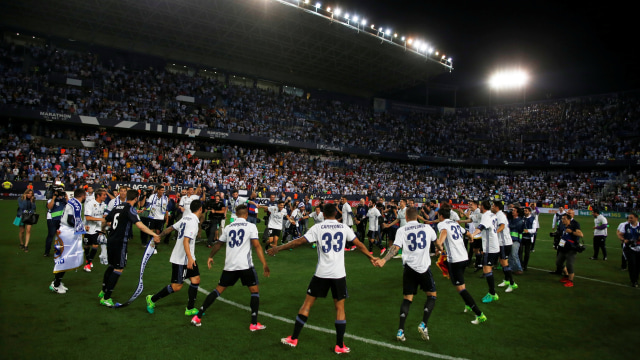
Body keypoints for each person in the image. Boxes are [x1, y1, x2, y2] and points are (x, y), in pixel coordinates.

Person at [268, 203, 377, 354]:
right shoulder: (343, 227)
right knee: (340, 308)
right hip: (339, 274)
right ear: (335, 214)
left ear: (324, 214)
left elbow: (299, 241)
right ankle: (340, 345)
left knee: (307, 305)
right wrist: (371, 257)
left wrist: (278, 248)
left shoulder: (318, 228)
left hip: (321, 273)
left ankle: (293, 338)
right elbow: (358, 244)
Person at [190, 205, 270, 329]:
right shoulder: (251, 226)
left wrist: (211, 256)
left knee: (217, 290)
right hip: (245, 266)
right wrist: (264, 263)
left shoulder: (228, 227)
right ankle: (253, 324)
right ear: (246, 215)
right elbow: (257, 246)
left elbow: (218, 244)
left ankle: (198, 316)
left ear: (236, 214)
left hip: (230, 266)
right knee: (254, 292)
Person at [374, 207, 437, 342]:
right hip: (424, 267)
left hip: (409, 268)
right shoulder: (427, 228)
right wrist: (440, 249)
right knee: (432, 296)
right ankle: (423, 324)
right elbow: (436, 242)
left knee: (407, 299)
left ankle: (400, 331)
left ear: (406, 218)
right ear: (418, 216)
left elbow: (395, 248)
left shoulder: (402, 230)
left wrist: (384, 260)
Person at [99, 190, 160, 307]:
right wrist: (153, 234)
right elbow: (140, 225)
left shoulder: (118, 206)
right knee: (118, 268)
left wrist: (102, 231)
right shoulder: (129, 208)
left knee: (111, 266)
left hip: (111, 239)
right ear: (136, 198)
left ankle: (103, 291)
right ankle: (106, 298)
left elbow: (106, 220)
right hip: (120, 242)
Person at [146, 200, 204, 315]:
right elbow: (186, 241)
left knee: (196, 279)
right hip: (182, 259)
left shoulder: (186, 218)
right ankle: (152, 299)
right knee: (176, 287)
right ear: (201, 209)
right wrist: (189, 258)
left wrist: (159, 236)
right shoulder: (192, 221)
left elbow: (171, 227)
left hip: (188, 257)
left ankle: (190, 308)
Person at [434, 207, 487, 325]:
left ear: (441, 216)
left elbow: (443, 233)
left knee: (460, 288)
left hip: (456, 260)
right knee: (461, 284)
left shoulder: (442, 224)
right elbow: (467, 233)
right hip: (464, 257)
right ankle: (468, 304)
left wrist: (439, 244)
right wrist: (471, 237)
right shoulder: (454, 223)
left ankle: (479, 314)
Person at [49, 188, 87, 294]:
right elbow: (71, 221)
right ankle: (55, 284)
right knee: (65, 258)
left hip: (64, 230)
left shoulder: (72, 202)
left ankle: (57, 281)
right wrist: (82, 227)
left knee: (65, 257)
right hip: (68, 232)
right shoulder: (77, 204)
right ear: (82, 196)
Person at [470, 200, 500, 304]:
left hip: (490, 247)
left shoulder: (486, 216)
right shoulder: (492, 215)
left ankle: (492, 294)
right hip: (493, 245)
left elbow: (481, 227)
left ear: (482, 207)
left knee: (487, 270)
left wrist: (472, 235)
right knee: (487, 269)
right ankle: (492, 292)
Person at [492, 201, 517, 292]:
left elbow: (502, 226)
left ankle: (512, 283)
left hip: (504, 243)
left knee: (504, 262)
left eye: (493, 205)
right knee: (502, 261)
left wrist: (495, 233)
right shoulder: (497, 215)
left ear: (497, 207)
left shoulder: (500, 215)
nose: (492, 207)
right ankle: (507, 280)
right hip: (501, 242)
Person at [553, 214, 584, 287]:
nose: (562, 220)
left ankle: (570, 281)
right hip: (563, 247)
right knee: (558, 263)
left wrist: (572, 232)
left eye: (564, 219)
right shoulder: (563, 226)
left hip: (571, 248)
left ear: (569, 219)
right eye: (562, 219)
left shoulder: (573, 226)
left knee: (569, 264)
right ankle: (566, 276)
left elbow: (581, 235)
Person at [83, 188, 108, 272]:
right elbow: (88, 217)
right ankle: (87, 259)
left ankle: (88, 264)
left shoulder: (103, 205)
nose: (105, 196)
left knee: (95, 245)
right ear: (98, 195)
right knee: (87, 246)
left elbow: (104, 215)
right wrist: (100, 219)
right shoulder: (90, 204)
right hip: (88, 228)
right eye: (104, 195)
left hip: (97, 229)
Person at [617, 213, 640, 287]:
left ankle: (636, 278)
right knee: (632, 265)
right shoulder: (626, 226)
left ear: (636, 218)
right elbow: (620, 234)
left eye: (631, 218)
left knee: (638, 265)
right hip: (630, 248)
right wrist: (623, 240)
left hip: (639, 248)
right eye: (629, 218)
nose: (629, 219)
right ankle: (634, 281)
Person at [44, 186, 68, 257]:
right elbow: (50, 207)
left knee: (61, 236)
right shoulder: (51, 199)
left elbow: (69, 204)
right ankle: (47, 252)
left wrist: (65, 196)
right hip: (52, 220)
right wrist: (54, 197)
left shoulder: (63, 199)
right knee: (51, 235)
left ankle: (59, 251)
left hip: (61, 220)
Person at [508, 207, 525, 274]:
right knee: (510, 255)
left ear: (517, 212)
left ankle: (519, 268)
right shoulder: (512, 220)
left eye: (514, 210)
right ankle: (511, 268)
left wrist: (509, 225)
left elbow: (513, 226)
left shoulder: (520, 221)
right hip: (510, 239)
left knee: (514, 254)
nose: (512, 211)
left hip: (516, 239)